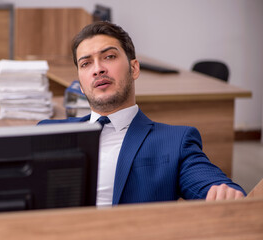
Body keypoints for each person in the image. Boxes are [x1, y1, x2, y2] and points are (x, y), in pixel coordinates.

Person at [38, 21, 246, 207]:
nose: (98, 69)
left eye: (109, 57)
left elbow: (216, 187)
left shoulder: (174, 142)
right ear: (80, 85)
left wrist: (223, 192)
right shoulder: (47, 133)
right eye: (86, 63)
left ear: (134, 68)